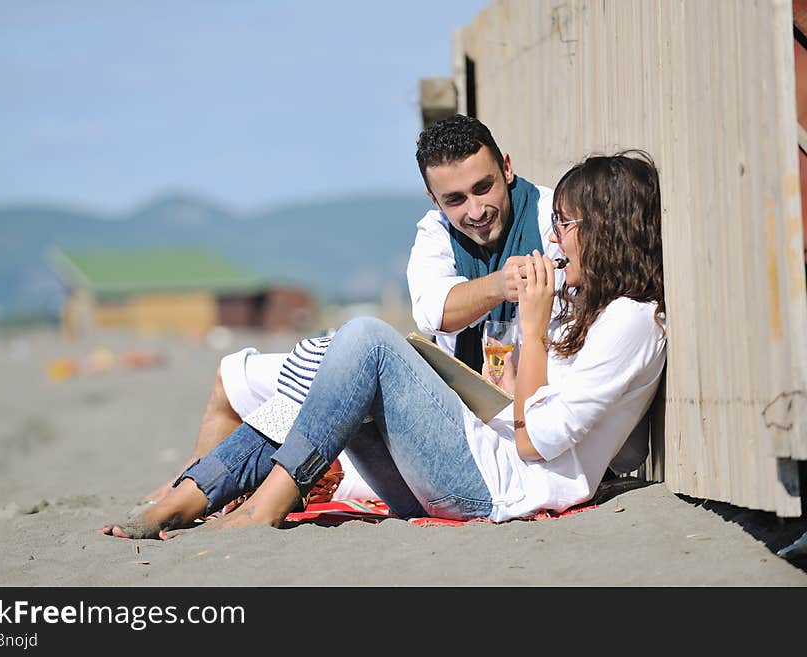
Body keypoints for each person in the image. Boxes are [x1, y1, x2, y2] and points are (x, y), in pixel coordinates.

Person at [100, 149, 667, 539]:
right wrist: (515, 361)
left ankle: (262, 501)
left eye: (566, 223)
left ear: (605, 231)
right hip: (473, 463)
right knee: (333, 367)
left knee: (368, 338)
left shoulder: (633, 322)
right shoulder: (588, 308)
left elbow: (534, 442)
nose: (556, 236)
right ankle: (195, 491)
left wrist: (535, 329)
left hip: (499, 490)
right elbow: (524, 404)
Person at [136, 114, 564, 509]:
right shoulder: (435, 232)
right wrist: (498, 284)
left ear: (507, 169)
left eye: (483, 187)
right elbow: (435, 312)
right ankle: (190, 485)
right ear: (432, 198)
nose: (474, 211)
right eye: (454, 199)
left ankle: (246, 491)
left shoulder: (550, 220)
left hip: (485, 439)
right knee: (233, 377)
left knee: (342, 373)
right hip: (443, 403)